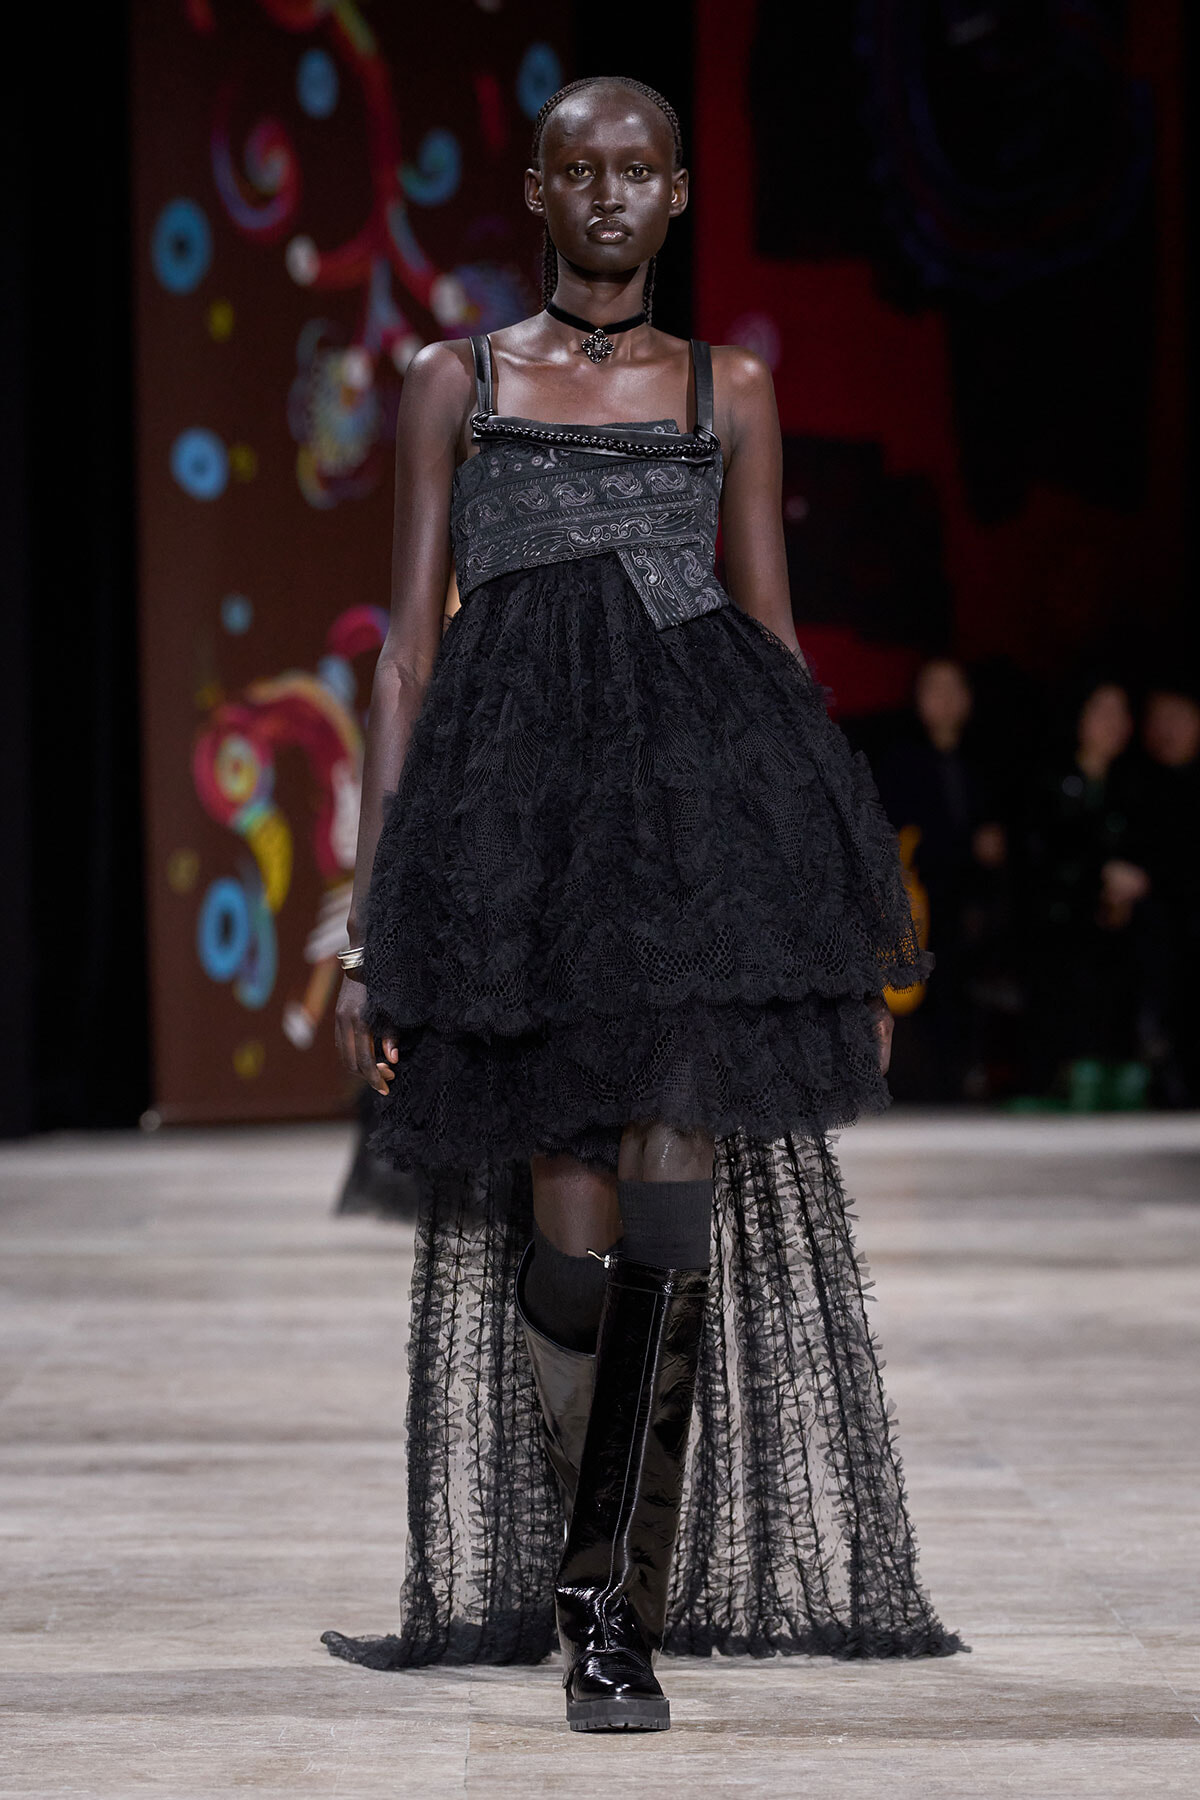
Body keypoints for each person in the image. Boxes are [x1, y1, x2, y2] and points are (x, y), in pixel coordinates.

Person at [321, 74, 960, 1733]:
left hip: (693, 847)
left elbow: (772, 638)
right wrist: (373, 912)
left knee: (671, 1177)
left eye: (639, 172)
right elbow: (406, 647)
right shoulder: (449, 382)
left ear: (678, 196)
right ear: (535, 194)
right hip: (515, 849)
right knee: (570, 1226)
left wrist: (815, 865)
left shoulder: (727, 387)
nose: (609, 197)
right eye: (580, 172)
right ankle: (598, 1540)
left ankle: (611, 1605)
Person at [876, 659, 1007, 1098]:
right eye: (934, 687)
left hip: (972, 902)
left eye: (955, 687)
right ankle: (917, 1089)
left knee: (966, 996)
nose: (946, 697)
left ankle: (963, 1083)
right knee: (916, 997)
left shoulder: (987, 760)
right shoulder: (897, 762)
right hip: (917, 902)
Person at [1021, 678, 1151, 1109]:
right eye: (1101, 711)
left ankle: (1130, 1067)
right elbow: (1041, 856)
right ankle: (1065, 1075)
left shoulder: (1136, 785)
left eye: (1120, 713)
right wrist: (1099, 877)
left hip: (1121, 924)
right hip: (1058, 920)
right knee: (1072, 955)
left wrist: (1130, 887)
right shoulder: (1050, 778)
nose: (1112, 723)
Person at [1138, 684, 1200, 1104]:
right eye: (1157, 720)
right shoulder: (1137, 787)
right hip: (1158, 946)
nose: (1166, 730)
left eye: (1177, 717)